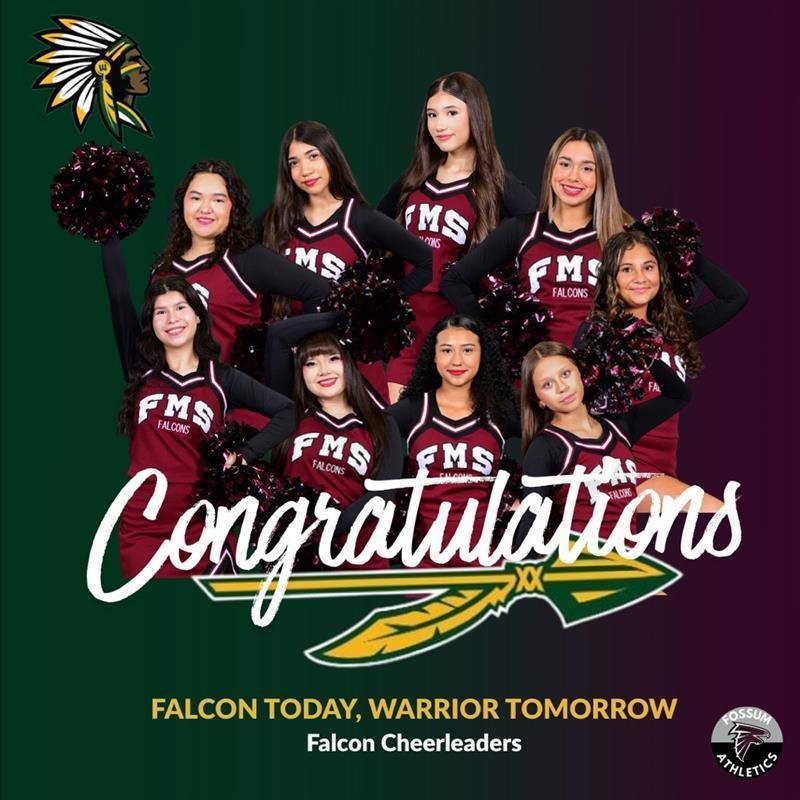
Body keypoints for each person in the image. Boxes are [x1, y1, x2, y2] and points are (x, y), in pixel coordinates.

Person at [115, 275, 295, 578]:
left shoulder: (221, 378)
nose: (172, 319)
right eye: (161, 312)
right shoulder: (141, 371)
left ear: (198, 316)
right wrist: (109, 237)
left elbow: (288, 412)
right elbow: (119, 297)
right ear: (152, 323)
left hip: (201, 523)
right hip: (142, 524)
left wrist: (246, 454)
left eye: (181, 308)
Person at [378, 72, 537, 402]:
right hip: (408, 327)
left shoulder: (498, 185)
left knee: (454, 440)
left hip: (458, 329)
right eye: (432, 115)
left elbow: (543, 232)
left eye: (451, 113)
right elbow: (368, 229)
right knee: (403, 432)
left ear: (475, 115)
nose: (439, 125)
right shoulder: (413, 179)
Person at [258, 120, 434, 404]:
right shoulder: (276, 220)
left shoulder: (360, 219)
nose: (305, 170)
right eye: (294, 162)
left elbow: (427, 260)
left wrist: (380, 307)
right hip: (297, 361)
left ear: (331, 155)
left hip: (353, 365)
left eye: (313, 156)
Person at [101, 159, 330, 374]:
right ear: (182, 203)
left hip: (234, 408)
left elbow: (320, 292)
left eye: (218, 200)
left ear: (233, 207)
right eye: (196, 198)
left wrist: (288, 358)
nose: (205, 208)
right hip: (182, 410)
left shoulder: (246, 260)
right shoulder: (163, 270)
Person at [584, 229, 748, 510]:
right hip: (623, 467)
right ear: (612, 279)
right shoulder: (598, 332)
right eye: (627, 269)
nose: (640, 278)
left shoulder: (673, 330)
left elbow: (735, 297)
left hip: (663, 468)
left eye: (649, 267)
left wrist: (680, 249)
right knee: (719, 514)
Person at [441, 127, 631, 350]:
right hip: (534, 375)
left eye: (587, 168)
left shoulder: (620, 235)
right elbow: (453, 280)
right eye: (565, 164)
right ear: (551, 168)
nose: (573, 176)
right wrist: (491, 337)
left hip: (596, 374)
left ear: (601, 177)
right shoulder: (523, 229)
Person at [267, 313, 404, 568]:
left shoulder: (383, 424)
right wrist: (348, 315)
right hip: (295, 559)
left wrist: (322, 529)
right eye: (311, 363)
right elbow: (278, 336)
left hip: (358, 561)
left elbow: (382, 496)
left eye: (333, 358)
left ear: (348, 364)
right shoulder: (290, 412)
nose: (323, 371)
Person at [518, 342, 690, 542]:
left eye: (566, 374)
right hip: (582, 564)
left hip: (628, 561)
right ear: (539, 399)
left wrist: (641, 352)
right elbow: (530, 523)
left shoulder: (619, 426)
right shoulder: (546, 447)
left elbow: (679, 396)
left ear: (581, 373)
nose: (562, 387)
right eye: (547, 384)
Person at [388, 315, 518, 567]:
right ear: (433, 356)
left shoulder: (501, 412)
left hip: (486, 561)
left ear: (483, 355)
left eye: (468, 350)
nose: (457, 360)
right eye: (446, 350)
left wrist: (521, 497)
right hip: (422, 561)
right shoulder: (413, 410)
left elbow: (551, 442)